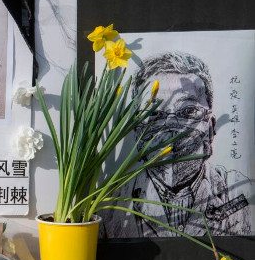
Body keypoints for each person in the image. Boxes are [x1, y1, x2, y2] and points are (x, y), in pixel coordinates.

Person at [103, 52, 251, 238]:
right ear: (138, 131)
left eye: (188, 111)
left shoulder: (242, 190)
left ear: (211, 127)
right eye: (154, 114)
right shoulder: (109, 204)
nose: (172, 131)